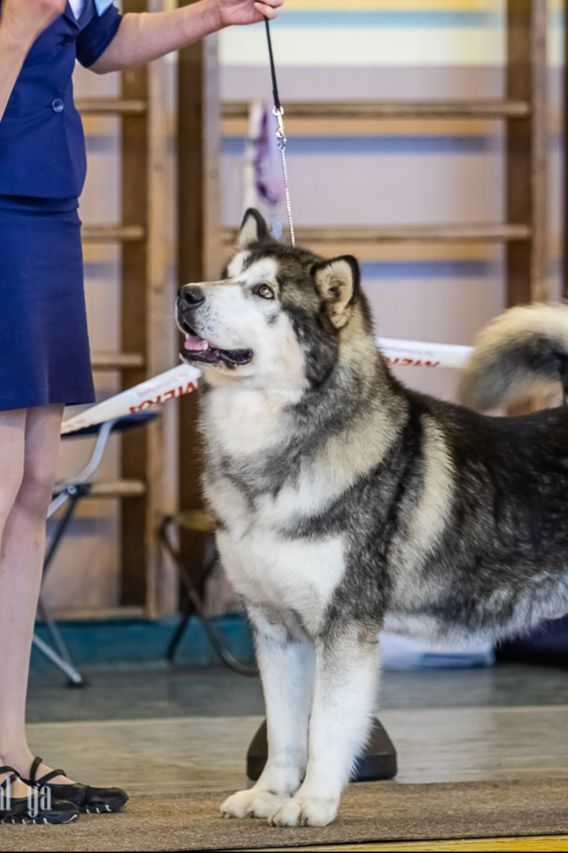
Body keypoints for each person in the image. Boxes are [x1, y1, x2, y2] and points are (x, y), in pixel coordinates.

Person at [0, 0, 284, 825]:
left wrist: (212, 15)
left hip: (47, 217)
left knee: (32, 486)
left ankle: (9, 748)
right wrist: (22, 18)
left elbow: (102, 44)